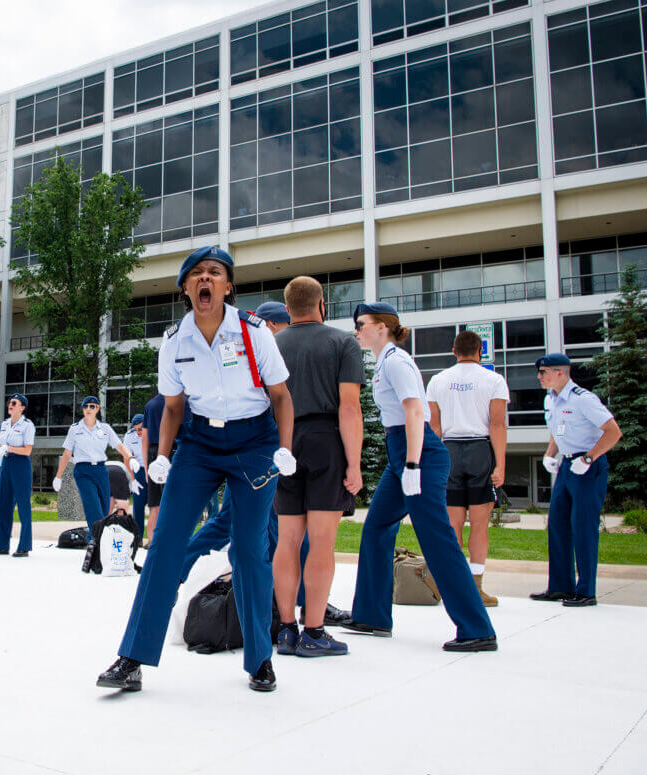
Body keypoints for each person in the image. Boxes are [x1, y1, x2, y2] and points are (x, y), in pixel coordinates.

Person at [97, 245, 296, 694]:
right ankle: (132, 657)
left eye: (215, 273)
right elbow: (172, 406)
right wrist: (163, 455)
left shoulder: (254, 332)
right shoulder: (174, 341)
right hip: (201, 443)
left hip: (256, 442)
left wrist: (284, 448)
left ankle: (260, 659)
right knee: (165, 543)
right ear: (186, 288)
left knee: (248, 550)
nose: (206, 280)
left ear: (228, 286)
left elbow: (281, 396)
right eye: (197, 274)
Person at [342, 302, 497, 651]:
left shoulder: (396, 361)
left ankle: (477, 629)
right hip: (402, 451)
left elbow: (415, 411)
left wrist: (412, 465)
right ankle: (372, 616)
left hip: (418, 452)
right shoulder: (384, 362)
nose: (357, 330)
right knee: (377, 527)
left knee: (437, 538)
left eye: (361, 324)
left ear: (382, 326)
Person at [271, 276, 364, 658]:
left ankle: (287, 631)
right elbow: (349, 407)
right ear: (322, 303)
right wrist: (354, 464)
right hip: (326, 439)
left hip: (284, 442)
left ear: (287, 307)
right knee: (322, 541)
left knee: (287, 539)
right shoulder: (343, 342)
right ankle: (314, 630)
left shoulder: (272, 345)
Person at [426, 331, 509, 607]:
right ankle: (476, 588)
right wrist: (500, 464)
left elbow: (434, 428)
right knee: (480, 524)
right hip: (479, 451)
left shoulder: (438, 380)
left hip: (449, 450)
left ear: (453, 351)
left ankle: (450, 586)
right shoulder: (494, 380)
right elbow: (497, 425)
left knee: (452, 525)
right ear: (480, 351)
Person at [531, 354, 621, 607]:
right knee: (558, 525)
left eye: (544, 372)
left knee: (583, 528)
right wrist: (550, 454)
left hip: (588, 466)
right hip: (567, 465)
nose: (539, 377)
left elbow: (613, 431)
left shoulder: (584, 399)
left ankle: (585, 591)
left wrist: (590, 459)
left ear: (560, 373)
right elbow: (558, 430)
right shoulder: (552, 399)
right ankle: (560, 586)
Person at [51, 396, 138, 542]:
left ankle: (95, 539)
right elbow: (67, 453)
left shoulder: (105, 429)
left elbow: (120, 446)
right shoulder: (75, 429)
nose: (89, 409)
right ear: (83, 410)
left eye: (92, 406)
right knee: (93, 506)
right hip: (83, 471)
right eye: (86, 407)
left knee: (104, 509)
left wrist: (131, 458)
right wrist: (58, 476)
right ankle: (96, 540)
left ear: (97, 409)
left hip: (100, 470)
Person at [140, 391, 192, 546]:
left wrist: (146, 468)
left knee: (154, 503)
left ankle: (151, 540)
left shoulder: (150, 405)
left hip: (154, 453)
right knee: (177, 500)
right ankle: (177, 540)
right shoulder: (184, 402)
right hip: (175, 450)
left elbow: (145, 438)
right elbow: (189, 431)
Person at [0, 394, 35, 556]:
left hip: (20, 464)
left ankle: (24, 545)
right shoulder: (5, 424)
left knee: (23, 505)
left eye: (14, 403)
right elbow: (2, 442)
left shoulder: (27, 425)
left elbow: (28, 450)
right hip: (6, 463)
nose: (10, 404)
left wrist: (9, 448)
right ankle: (2, 545)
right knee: (3, 503)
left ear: (22, 407)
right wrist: (5, 448)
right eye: (10, 402)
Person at [122, 413, 147, 532]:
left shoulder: (154, 432)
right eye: (135, 429)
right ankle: (139, 537)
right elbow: (126, 458)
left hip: (153, 470)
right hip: (139, 471)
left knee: (156, 506)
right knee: (138, 505)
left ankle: (154, 539)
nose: (138, 432)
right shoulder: (129, 436)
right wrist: (132, 479)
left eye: (140, 429)